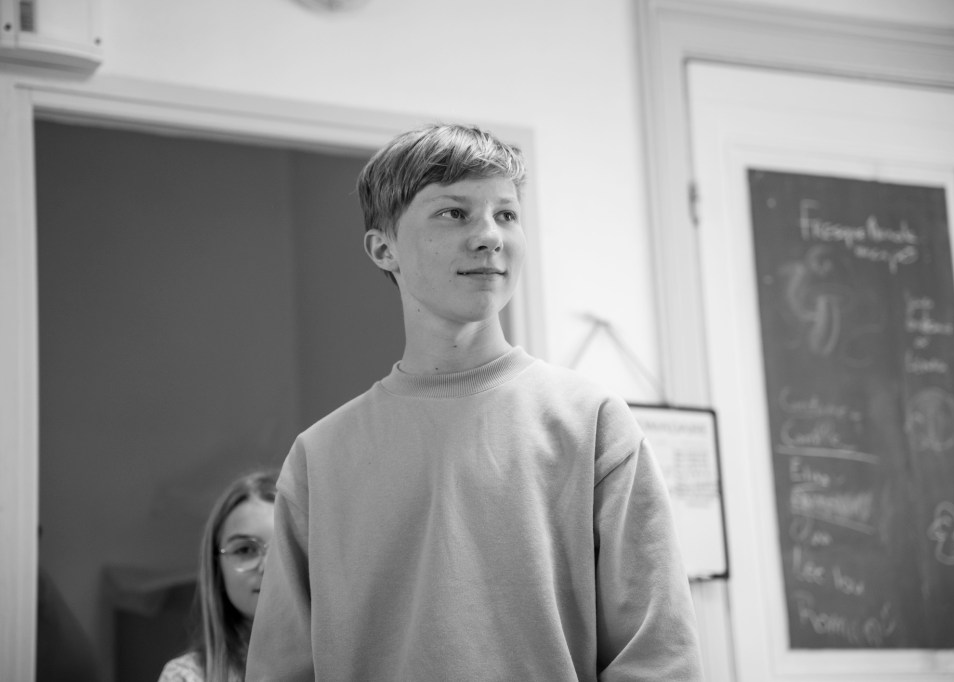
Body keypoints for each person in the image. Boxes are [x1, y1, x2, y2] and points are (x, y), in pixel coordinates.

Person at [246, 124, 704, 681]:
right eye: (453, 213)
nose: (489, 236)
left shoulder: (593, 425)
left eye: (506, 214)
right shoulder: (319, 458)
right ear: (384, 249)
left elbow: (659, 659)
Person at [159, 469, 277, 682]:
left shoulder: (339, 664)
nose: (267, 566)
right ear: (217, 569)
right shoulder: (186, 677)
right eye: (245, 550)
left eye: (283, 549)